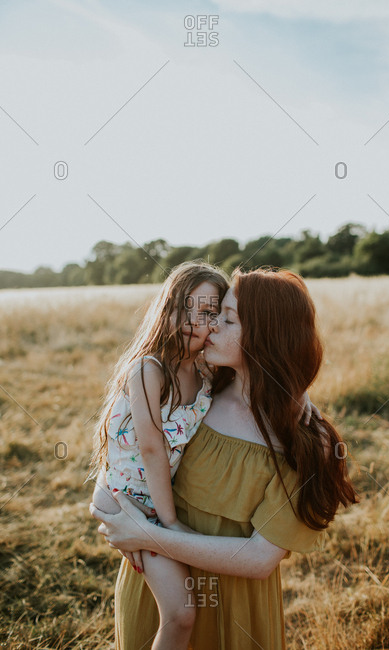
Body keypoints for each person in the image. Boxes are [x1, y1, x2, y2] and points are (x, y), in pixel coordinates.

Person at [90, 268, 358, 649]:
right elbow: (133, 448)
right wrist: (110, 503)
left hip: (236, 606)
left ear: (266, 336)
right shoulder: (205, 386)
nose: (210, 327)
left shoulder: (303, 441)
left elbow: (259, 559)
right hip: (157, 587)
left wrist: (149, 534)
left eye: (226, 318)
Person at [89, 261, 229, 650]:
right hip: (132, 503)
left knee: (184, 611)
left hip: (154, 499)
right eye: (185, 306)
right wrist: (168, 527)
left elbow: (262, 370)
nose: (193, 320)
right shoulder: (149, 369)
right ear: (165, 308)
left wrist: (302, 398)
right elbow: (151, 448)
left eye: (207, 312)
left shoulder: (204, 372)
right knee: (182, 612)